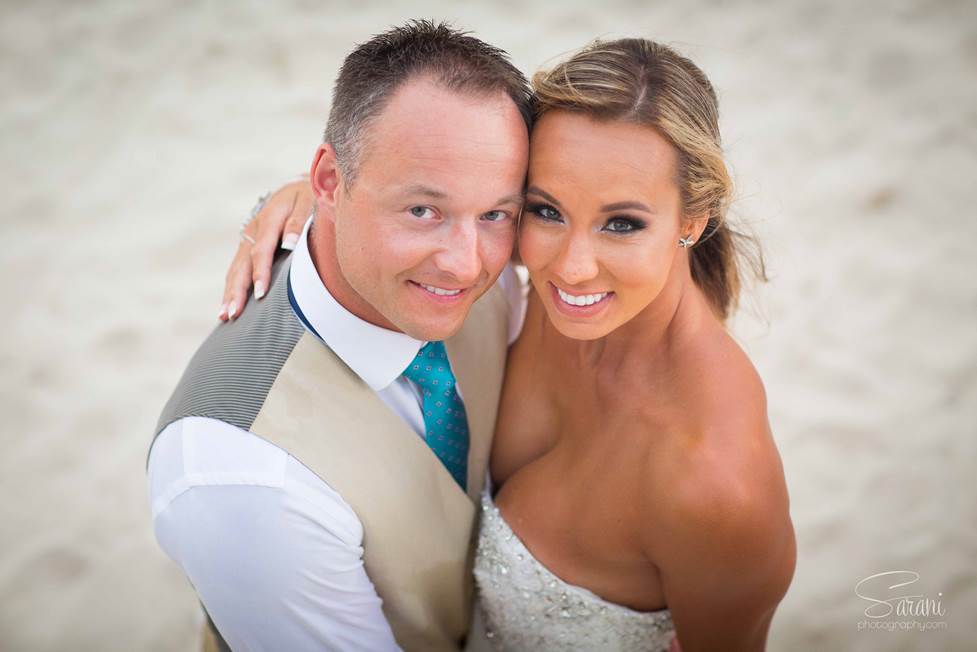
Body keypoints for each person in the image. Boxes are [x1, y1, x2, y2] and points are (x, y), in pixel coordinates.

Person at [231, 36, 797, 652]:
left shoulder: (716, 487)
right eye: (546, 210)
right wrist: (311, 200)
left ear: (694, 218)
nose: (572, 268)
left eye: (623, 224)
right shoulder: (548, 292)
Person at [147, 21, 532, 652]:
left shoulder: (500, 276)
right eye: (422, 210)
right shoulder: (240, 477)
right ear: (329, 181)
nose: (467, 265)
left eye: (495, 213)